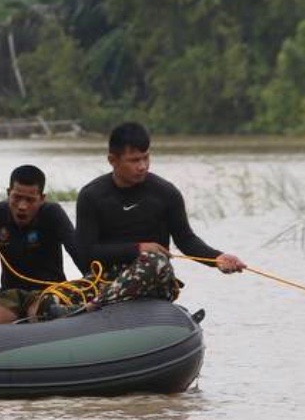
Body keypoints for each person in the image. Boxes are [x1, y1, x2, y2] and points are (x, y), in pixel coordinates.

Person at [76, 122, 245, 308]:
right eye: (134, 160)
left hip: (154, 276)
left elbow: (186, 240)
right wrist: (137, 248)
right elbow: (87, 252)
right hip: (107, 276)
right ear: (112, 160)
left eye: (146, 158)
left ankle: (94, 305)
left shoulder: (165, 193)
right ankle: (83, 308)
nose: (142, 166)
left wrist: (217, 258)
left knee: (155, 260)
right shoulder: (91, 196)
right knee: (53, 298)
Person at [0, 164, 87, 324]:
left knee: (41, 314)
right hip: (10, 294)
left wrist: (94, 291)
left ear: (42, 199)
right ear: (8, 194)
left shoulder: (53, 214)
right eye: (16, 198)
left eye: (30, 200)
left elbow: (79, 254)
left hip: (49, 291)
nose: (22, 206)